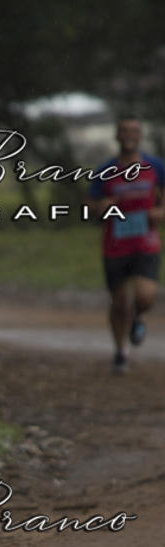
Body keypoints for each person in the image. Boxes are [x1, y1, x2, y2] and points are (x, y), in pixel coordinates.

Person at [89, 117, 165, 373]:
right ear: (117, 136)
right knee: (119, 302)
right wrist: (102, 207)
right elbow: (89, 206)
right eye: (124, 131)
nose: (129, 135)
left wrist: (159, 213)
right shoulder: (105, 170)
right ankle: (121, 352)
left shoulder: (155, 166)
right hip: (115, 246)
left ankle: (139, 317)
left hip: (146, 242)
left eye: (134, 131)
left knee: (145, 296)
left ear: (140, 135)